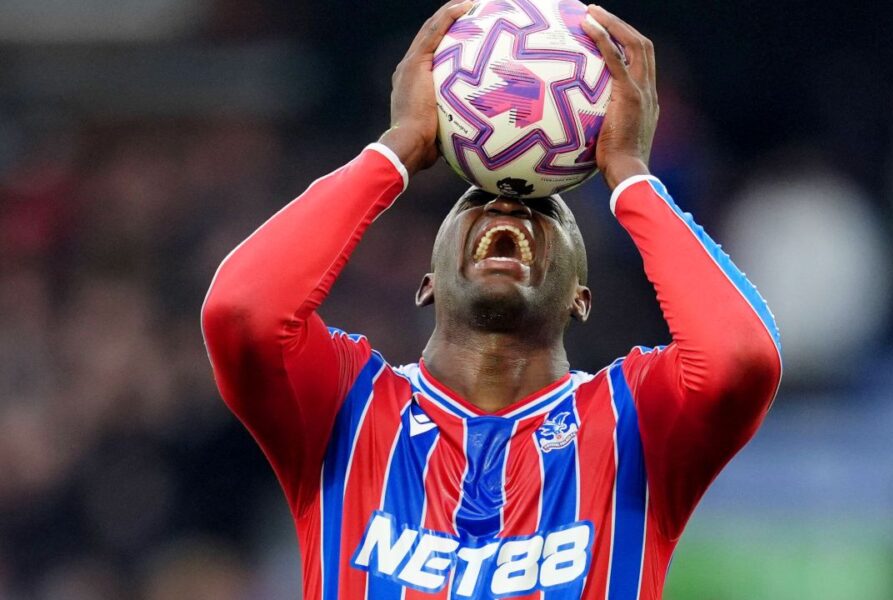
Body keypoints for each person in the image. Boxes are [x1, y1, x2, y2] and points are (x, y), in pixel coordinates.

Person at [201, 1, 782, 597]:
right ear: (427, 283)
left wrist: (631, 176)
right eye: (475, 204)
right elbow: (243, 313)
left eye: (544, 211)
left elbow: (740, 358)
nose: (506, 207)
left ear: (580, 298)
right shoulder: (348, 411)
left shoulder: (633, 422)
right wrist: (395, 151)